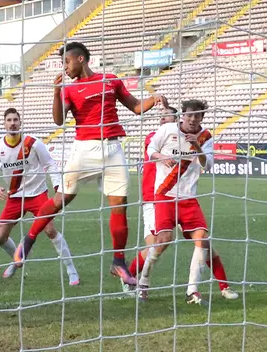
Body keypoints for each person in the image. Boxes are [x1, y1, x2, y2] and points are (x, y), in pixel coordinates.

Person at [14, 42, 168, 286]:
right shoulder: (70, 89)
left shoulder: (111, 80)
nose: (65, 67)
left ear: (81, 59)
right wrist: (56, 93)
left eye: (67, 62)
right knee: (62, 198)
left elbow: (136, 107)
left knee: (119, 204)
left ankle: (118, 262)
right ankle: (28, 241)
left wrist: (154, 98)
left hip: (113, 149)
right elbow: (58, 120)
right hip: (84, 149)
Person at [138, 100, 237, 303]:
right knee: (163, 240)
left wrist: (197, 146)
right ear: (183, 115)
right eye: (190, 115)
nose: (193, 119)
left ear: (202, 118)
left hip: (188, 198)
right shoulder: (167, 129)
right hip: (164, 194)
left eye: (197, 116)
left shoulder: (205, 137)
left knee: (202, 240)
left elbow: (207, 165)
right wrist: (160, 158)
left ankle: (192, 291)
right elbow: (151, 150)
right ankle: (143, 282)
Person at [0, 108, 79, 285]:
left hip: (38, 195)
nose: (12, 123)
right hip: (15, 197)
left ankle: (71, 270)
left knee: (50, 230)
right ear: (4, 123)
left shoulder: (33, 143)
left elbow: (50, 165)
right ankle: (17, 259)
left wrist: (58, 186)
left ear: (20, 123)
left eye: (15, 120)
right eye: (9, 120)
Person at [128, 107, 178, 280]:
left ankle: (215, 285)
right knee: (156, 244)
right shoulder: (153, 137)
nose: (162, 119)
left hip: (178, 196)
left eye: (167, 116)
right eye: (161, 117)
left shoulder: (182, 141)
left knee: (202, 239)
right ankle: (132, 277)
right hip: (153, 196)